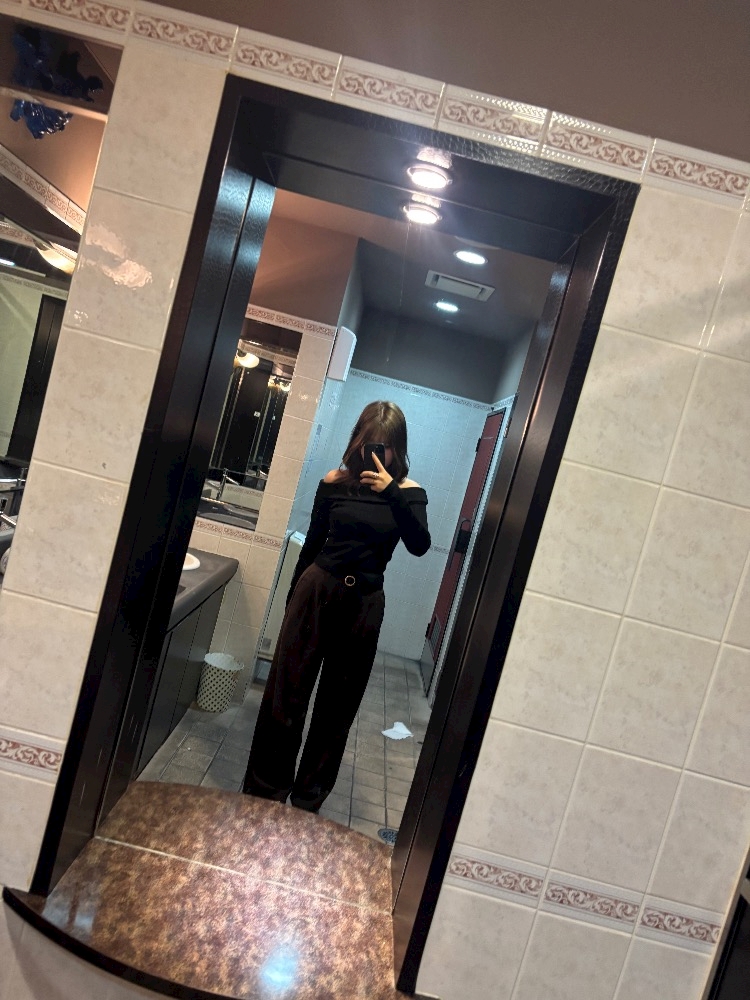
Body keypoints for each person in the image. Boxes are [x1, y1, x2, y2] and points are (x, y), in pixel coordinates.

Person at [242, 400, 430, 813]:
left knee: (337, 708)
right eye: (368, 442)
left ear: (398, 448)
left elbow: (419, 545)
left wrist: (392, 493)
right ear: (356, 440)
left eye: (384, 446)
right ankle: (264, 792)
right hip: (315, 592)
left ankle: (307, 800)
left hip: (363, 606)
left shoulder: (409, 494)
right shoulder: (334, 482)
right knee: (285, 696)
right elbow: (311, 545)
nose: (375, 452)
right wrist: (291, 603)